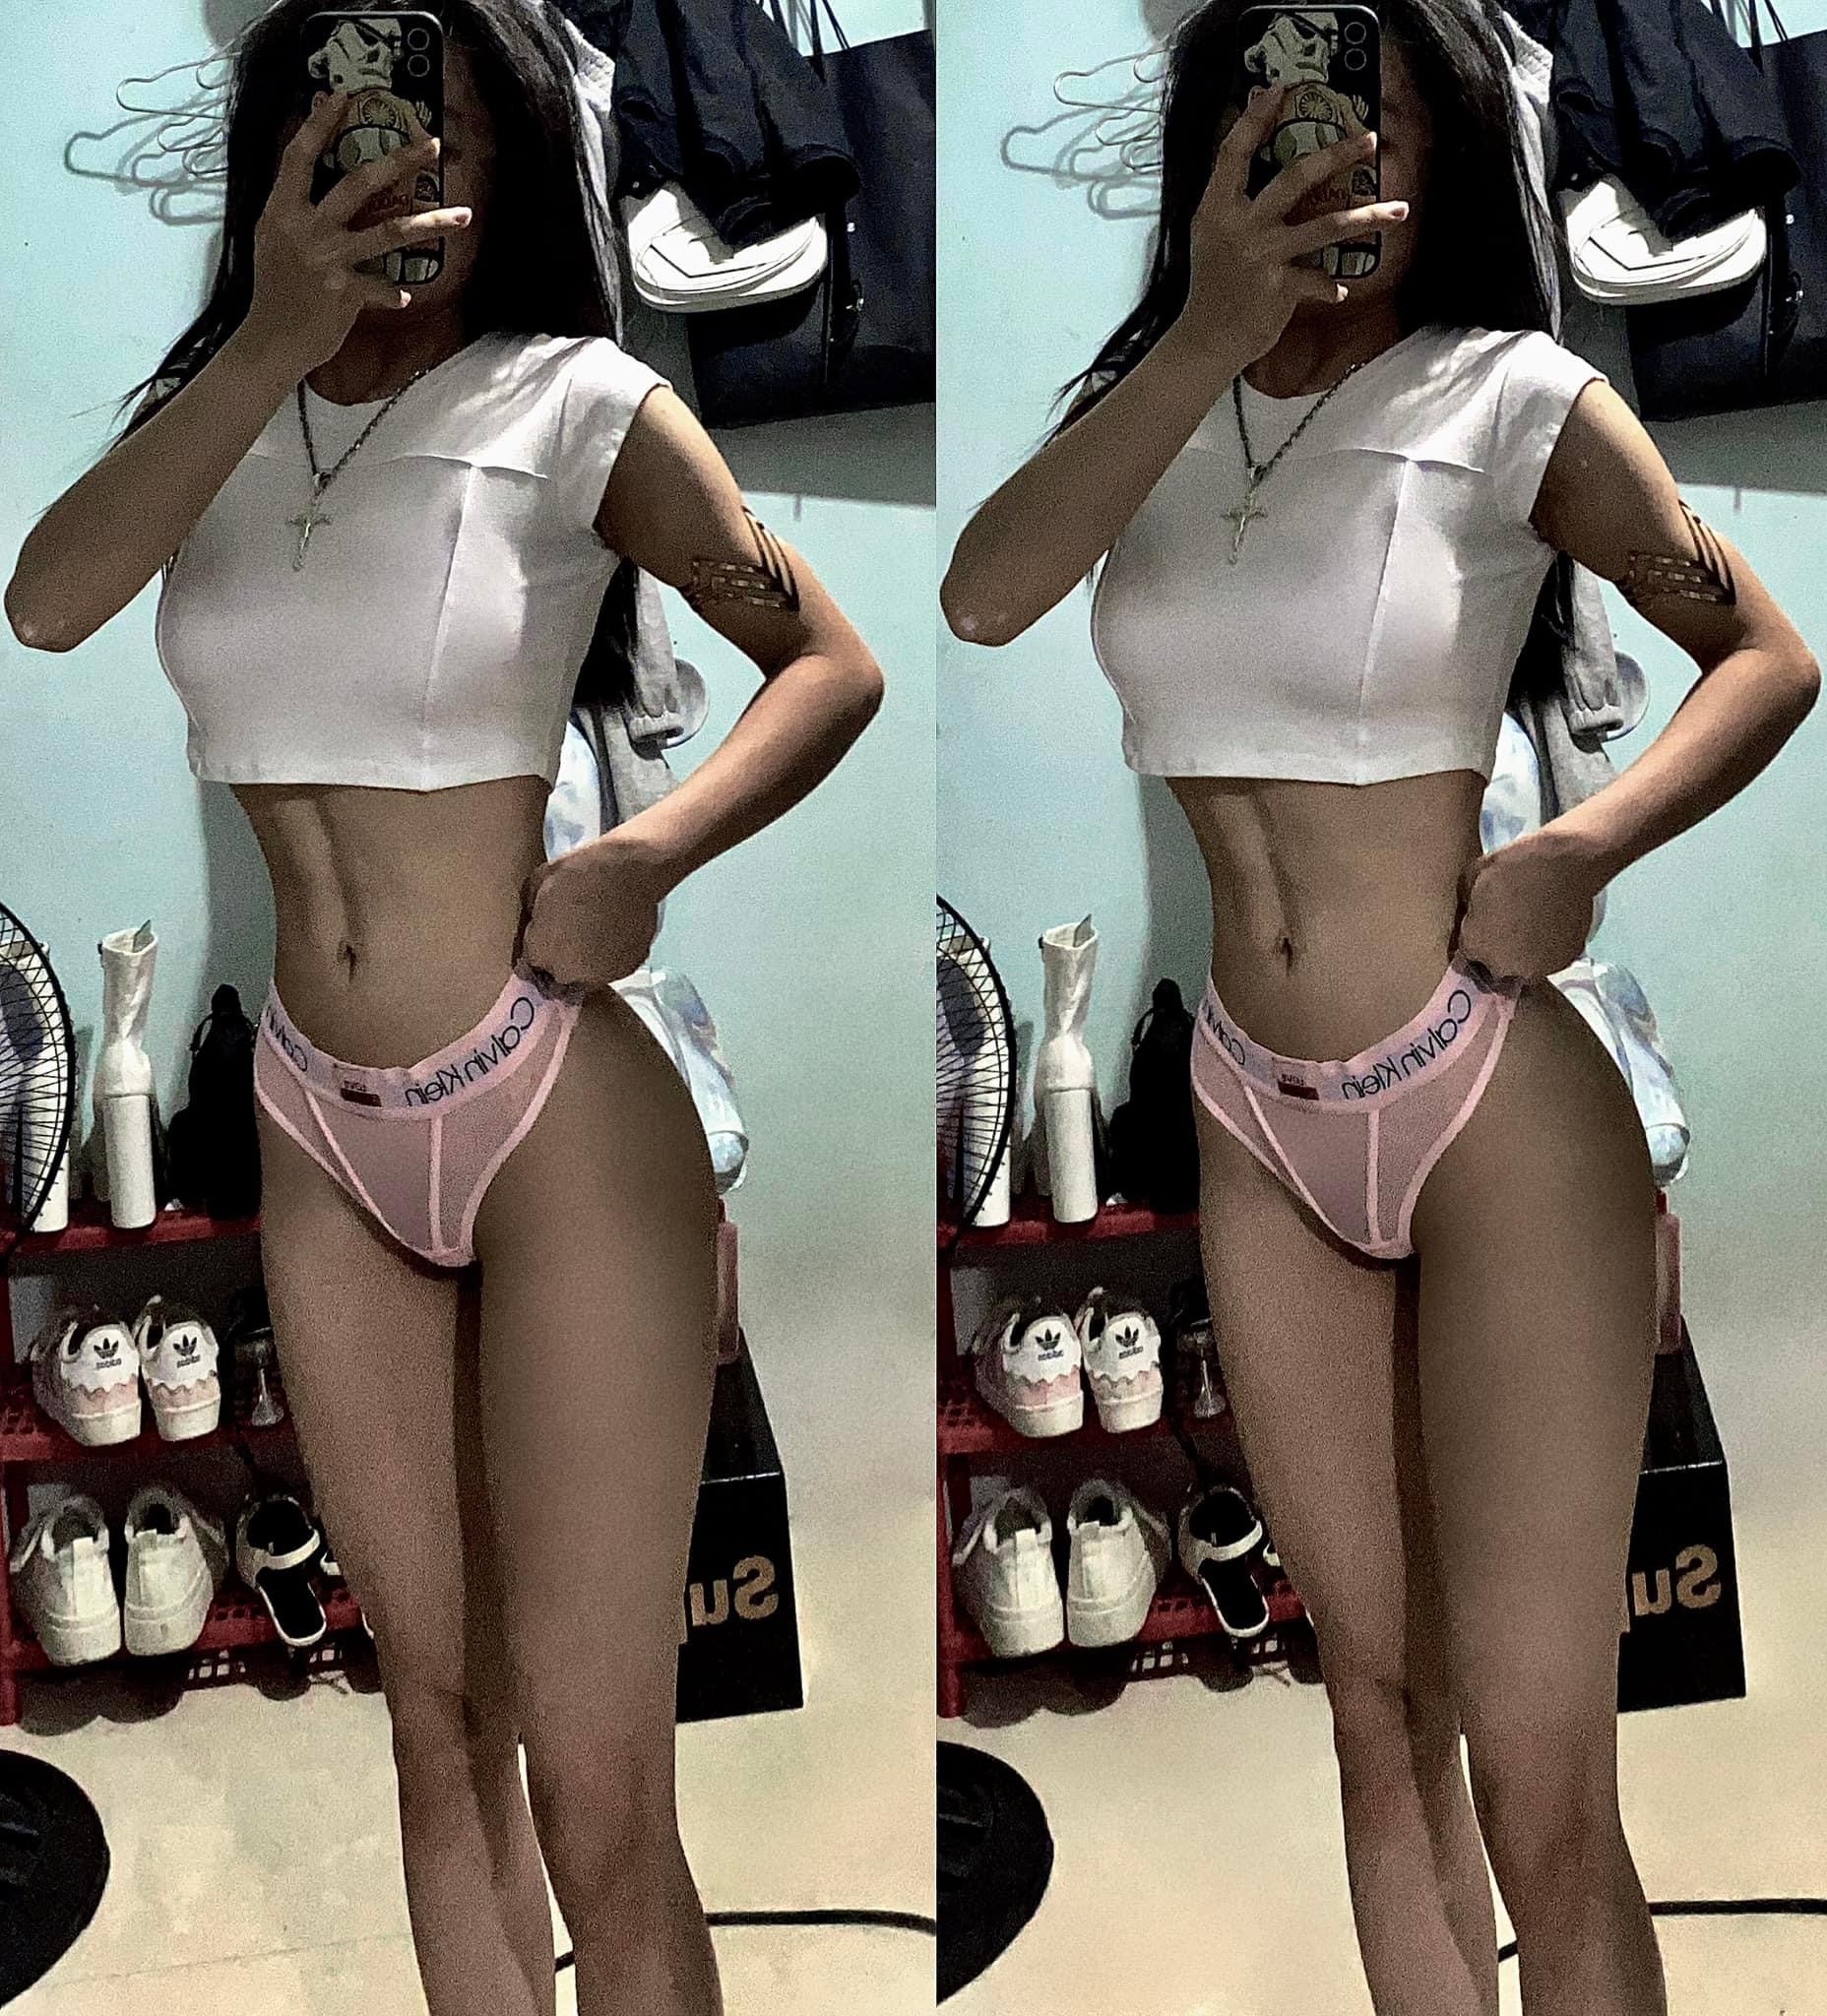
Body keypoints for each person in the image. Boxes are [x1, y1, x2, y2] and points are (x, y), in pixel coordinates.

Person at [6, 6, 883, 2015]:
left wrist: (647, 856)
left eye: (446, 137)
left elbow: (830, 663)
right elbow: (47, 602)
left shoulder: (580, 402)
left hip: (552, 1098)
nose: (401, 174)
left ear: (515, 169)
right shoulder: (217, 416)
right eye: (352, 132)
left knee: (599, 1780)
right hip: (322, 1117)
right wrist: (264, 334)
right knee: (435, 1716)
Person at [942, 4, 1816, 2012]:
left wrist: (1582, 846)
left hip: (1489, 1089)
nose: (1328, 155)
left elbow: (1766, 656)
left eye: (1374, 120)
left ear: (1446, 154)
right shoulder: (1153, 407)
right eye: (1282, 113)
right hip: (1258, 1107)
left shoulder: (1511, 394)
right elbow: (982, 594)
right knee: (1373, 1707)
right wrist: (1200, 328)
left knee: (1541, 1769)